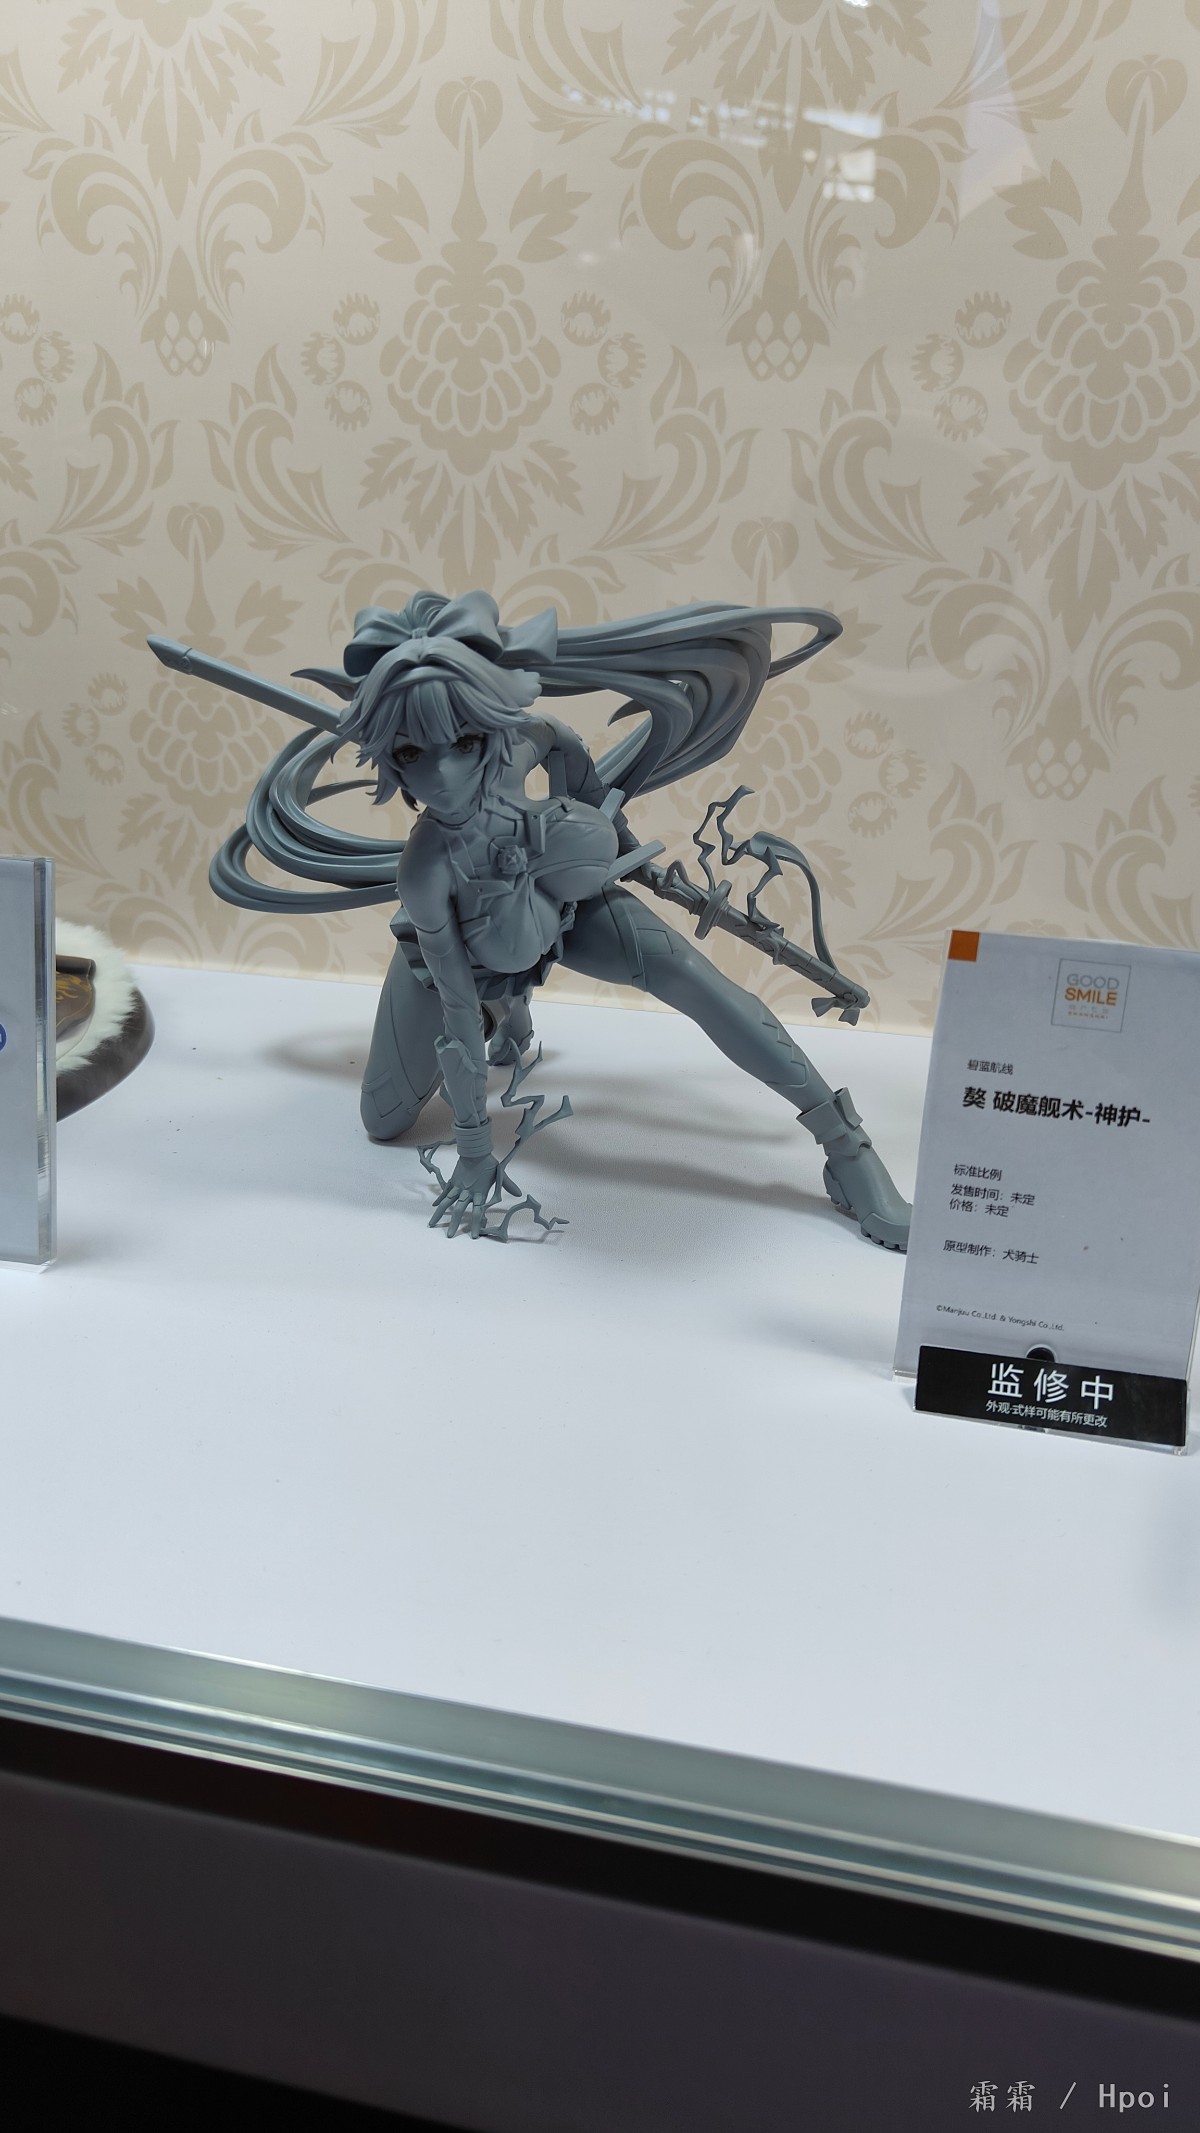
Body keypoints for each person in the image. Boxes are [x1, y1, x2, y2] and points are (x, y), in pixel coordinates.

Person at [207, 590, 911, 1248]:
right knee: (383, 1121)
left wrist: (619, 853)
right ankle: (509, 1010)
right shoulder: (424, 871)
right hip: (463, 949)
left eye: (465, 743)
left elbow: (587, 787)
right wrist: (475, 1151)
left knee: (697, 980)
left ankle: (846, 1146)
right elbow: (456, 1011)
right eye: (413, 754)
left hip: (562, 902)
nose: (443, 777)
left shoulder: (529, 738)